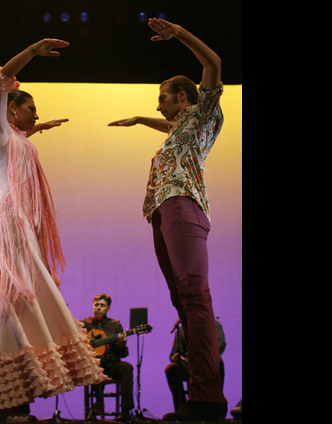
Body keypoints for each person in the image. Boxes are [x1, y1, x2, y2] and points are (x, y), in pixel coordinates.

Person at [0, 39, 106, 422]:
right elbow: (0, 82)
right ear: (11, 108)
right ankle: (3, 391)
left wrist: (38, 128)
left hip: (19, 224)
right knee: (14, 300)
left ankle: (11, 391)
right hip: (9, 222)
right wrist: (33, 50)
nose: (35, 115)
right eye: (31, 109)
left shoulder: (15, 139)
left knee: (18, 302)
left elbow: (20, 148)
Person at [108, 18, 228, 422]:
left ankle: (208, 398)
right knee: (183, 300)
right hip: (162, 211)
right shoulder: (180, 128)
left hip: (183, 205)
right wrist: (140, 121)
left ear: (182, 96)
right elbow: (169, 125)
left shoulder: (203, 114)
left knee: (194, 295)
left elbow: (213, 63)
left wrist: (179, 34)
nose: (157, 104)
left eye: (162, 97)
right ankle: (201, 396)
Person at [81, 294, 135, 422]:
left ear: (108, 308)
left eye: (102, 306)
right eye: (96, 305)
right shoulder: (84, 324)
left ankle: (126, 411)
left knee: (127, 367)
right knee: (98, 358)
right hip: (93, 367)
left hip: (111, 365)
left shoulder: (115, 326)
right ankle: (99, 402)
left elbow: (123, 354)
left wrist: (122, 345)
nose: (99, 308)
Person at [165, 318, 226, 412]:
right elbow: (174, 353)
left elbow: (220, 345)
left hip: (207, 362)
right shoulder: (181, 330)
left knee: (216, 365)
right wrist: (176, 357)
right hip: (188, 364)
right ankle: (181, 408)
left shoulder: (214, 326)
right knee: (171, 369)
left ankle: (212, 409)